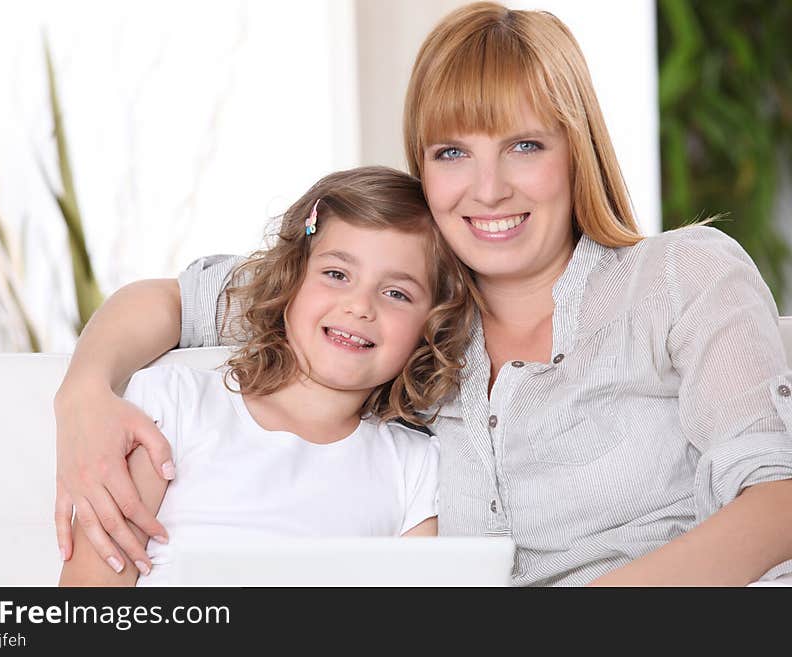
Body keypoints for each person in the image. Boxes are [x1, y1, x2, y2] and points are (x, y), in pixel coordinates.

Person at [54, 2, 792, 586]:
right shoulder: (411, 311)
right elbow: (179, 300)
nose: (489, 187)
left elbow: (778, 501)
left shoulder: (679, 275)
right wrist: (84, 391)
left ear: (579, 150)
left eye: (526, 145)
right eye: (452, 153)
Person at [58, 166, 477, 585]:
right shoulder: (175, 405)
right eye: (336, 275)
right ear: (290, 279)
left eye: (396, 293)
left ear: (431, 326)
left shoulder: (414, 466)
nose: (360, 305)